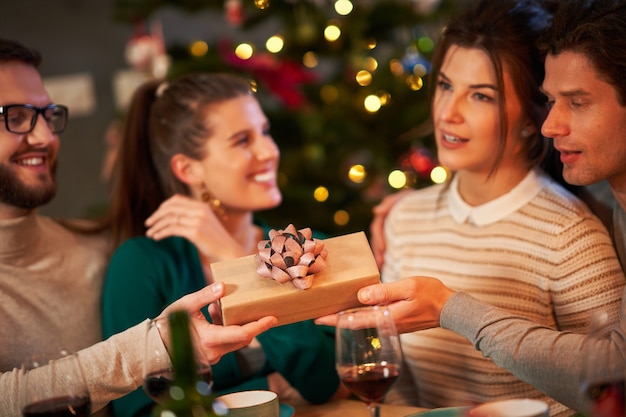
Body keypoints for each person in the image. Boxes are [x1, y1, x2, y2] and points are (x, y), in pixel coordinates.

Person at [318, 0, 626, 414]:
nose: (448, 113)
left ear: (530, 117)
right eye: (445, 86)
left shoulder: (572, 235)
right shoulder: (405, 218)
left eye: (480, 95)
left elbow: (608, 387)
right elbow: (399, 386)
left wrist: (451, 308)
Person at [0, 38, 277, 416]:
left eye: (47, 115)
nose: (46, 137)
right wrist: (155, 345)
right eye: (14, 116)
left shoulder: (100, 245)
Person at [101, 72, 349, 417]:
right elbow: (138, 409)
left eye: (264, 132)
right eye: (242, 141)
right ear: (188, 169)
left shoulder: (311, 248)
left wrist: (237, 257)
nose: (269, 151)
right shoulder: (143, 262)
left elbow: (329, 383)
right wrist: (271, 388)